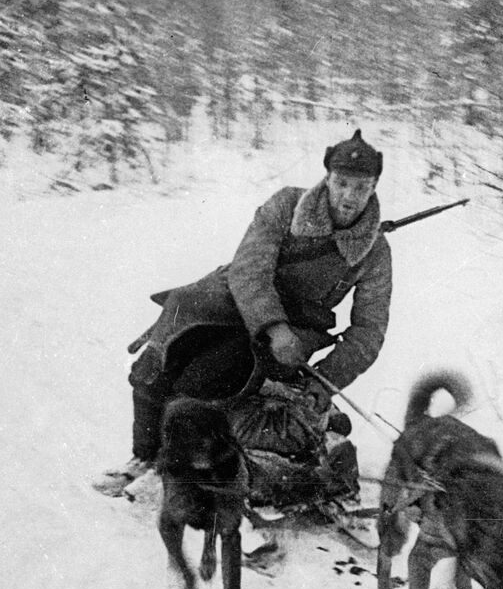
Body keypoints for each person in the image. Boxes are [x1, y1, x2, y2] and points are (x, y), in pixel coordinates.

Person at [94, 129, 393, 497]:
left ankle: (178, 462)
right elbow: (250, 269)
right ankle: (143, 456)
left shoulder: (376, 252)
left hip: (293, 332)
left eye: (360, 187)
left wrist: (325, 378)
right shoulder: (286, 205)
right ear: (327, 178)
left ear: (374, 187)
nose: (348, 196)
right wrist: (275, 327)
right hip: (232, 300)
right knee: (157, 364)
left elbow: (369, 330)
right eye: (341, 183)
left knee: (206, 378)